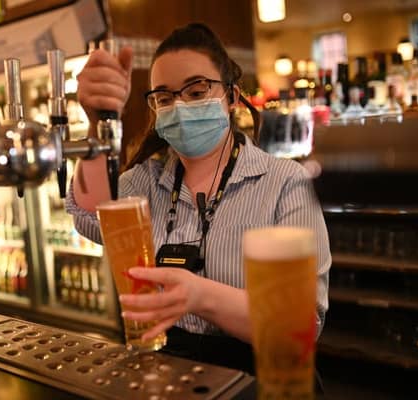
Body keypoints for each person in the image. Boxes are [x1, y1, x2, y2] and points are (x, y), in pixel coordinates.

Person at [65, 23, 330, 374]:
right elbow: (87, 213)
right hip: (169, 375)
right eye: (164, 97)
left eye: (196, 91)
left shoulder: (284, 183)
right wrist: (99, 123)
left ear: (232, 97)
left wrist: (199, 295)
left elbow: (301, 325)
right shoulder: (145, 182)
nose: (179, 106)